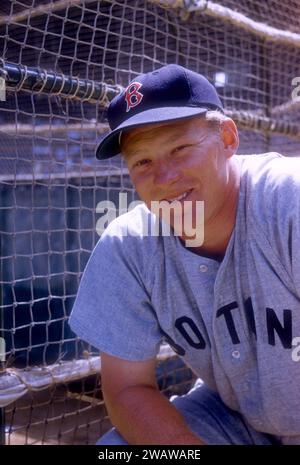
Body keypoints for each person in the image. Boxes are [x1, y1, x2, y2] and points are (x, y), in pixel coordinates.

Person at [69, 64, 300, 445]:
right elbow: (127, 389)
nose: (163, 177)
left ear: (227, 137)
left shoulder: (287, 201)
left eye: (179, 148)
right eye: (142, 161)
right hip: (234, 417)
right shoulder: (129, 247)